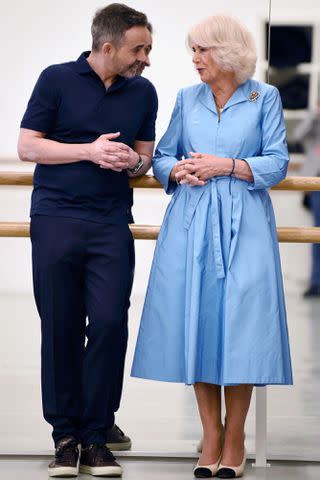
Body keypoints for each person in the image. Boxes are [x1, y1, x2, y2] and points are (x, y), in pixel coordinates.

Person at [131, 14, 292, 479]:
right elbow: (162, 155)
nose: (195, 59)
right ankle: (211, 436)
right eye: (193, 51)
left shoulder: (265, 97)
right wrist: (174, 171)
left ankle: (235, 436)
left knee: (241, 327)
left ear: (227, 51)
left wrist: (229, 164)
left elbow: (277, 161)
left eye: (201, 50)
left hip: (246, 224)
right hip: (193, 221)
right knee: (198, 323)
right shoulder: (186, 98)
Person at [17, 3, 157, 477]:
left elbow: (146, 159)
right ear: (108, 46)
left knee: (110, 322)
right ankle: (66, 437)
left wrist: (130, 164)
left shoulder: (144, 92)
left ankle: (98, 435)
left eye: (148, 49)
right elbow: (28, 145)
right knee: (60, 324)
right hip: (55, 217)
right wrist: (89, 151)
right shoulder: (55, 79)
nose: (146, 58)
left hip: (111, 222)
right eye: (139, 49)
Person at [292, 106, 320, 297]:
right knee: (316, 236)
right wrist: (315, 114)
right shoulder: (315, 126)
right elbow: (296, 135)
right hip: (316, 185)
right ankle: (315, 282)